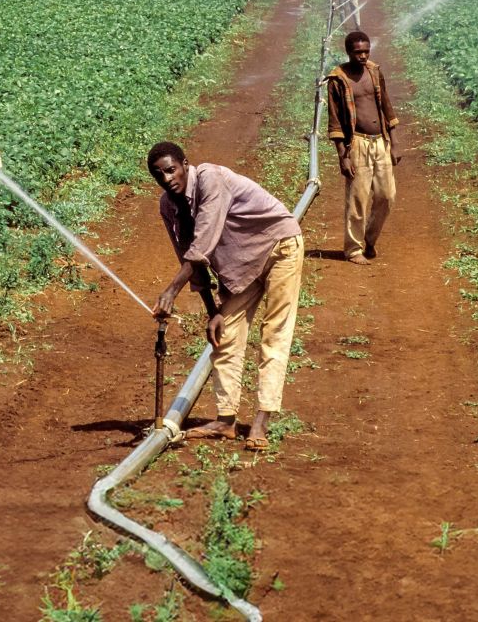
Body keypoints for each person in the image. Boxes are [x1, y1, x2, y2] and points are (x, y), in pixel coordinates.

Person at [148, 141, 304, 451]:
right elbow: (189, 261)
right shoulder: (168, 207)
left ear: (185, 164)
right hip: (241, 265)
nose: (167, 179)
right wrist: (212, 312)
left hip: (279, 247)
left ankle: (261, 420)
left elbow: (202, 242)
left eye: (171, 170)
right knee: (226, 335)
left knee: (274, 334)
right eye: (159, 175)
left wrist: (171, 291)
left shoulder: (211, 179)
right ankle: (226, 421)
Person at [325, 31, 399, 265]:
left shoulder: (375, 72)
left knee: (387, 196)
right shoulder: (338, 80)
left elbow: (386, 106)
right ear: (348, 52)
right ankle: (353, 249)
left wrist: (394, 144)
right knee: (358, 198)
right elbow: (335, 119)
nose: (363, 56)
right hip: (356, 143)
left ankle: (369, 238)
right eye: (358, 52)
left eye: (366, 51)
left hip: (381, 141)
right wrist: (342, 156)